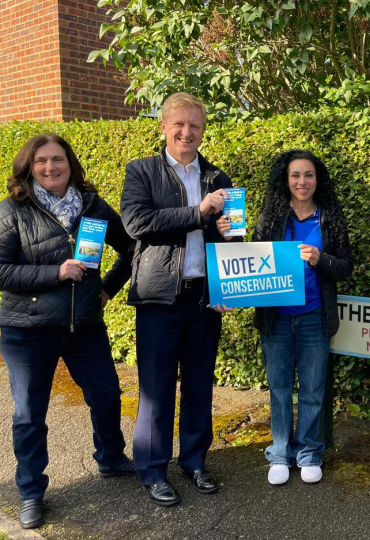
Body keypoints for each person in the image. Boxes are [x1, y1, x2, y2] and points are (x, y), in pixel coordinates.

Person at [0, 134, 135, 529]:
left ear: (71, 163)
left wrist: (106, 290)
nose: (51, 167)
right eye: (42, 161)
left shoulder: (94, 206)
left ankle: (111, 459)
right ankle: (31, 491)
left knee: (106, 395)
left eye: (58, 159)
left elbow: (132, 249)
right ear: (29, 167)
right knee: (30, 415)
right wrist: (56, 272)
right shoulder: (13, 209)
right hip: (27, 331)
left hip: (83, 326)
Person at [120, 92, 234, 506]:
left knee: (200, 384)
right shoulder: (142, 171)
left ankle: (194, 461)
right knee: (156, 386)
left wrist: (226, 235)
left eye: (195, 126)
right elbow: (137, 224)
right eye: (180, 125)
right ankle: (152, 470)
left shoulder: (218, 177)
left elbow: (231, 241)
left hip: (203, 300)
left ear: (203, 131)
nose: (187, 133)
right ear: (165, 127)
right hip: (159, 299)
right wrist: (199, 212)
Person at [239, 149, 352, 485]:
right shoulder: (272, 218)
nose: (302, 182)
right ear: (285, 181)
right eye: (295, 175)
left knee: (314, 389)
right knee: (279, 388)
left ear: (318, 180)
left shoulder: (329, 218)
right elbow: (250, 262)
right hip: (277, 318)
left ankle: (309, 453)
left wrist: (322, 259)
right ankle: (279, 453)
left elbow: (345, 266)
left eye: (309, 175)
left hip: (315, 317)